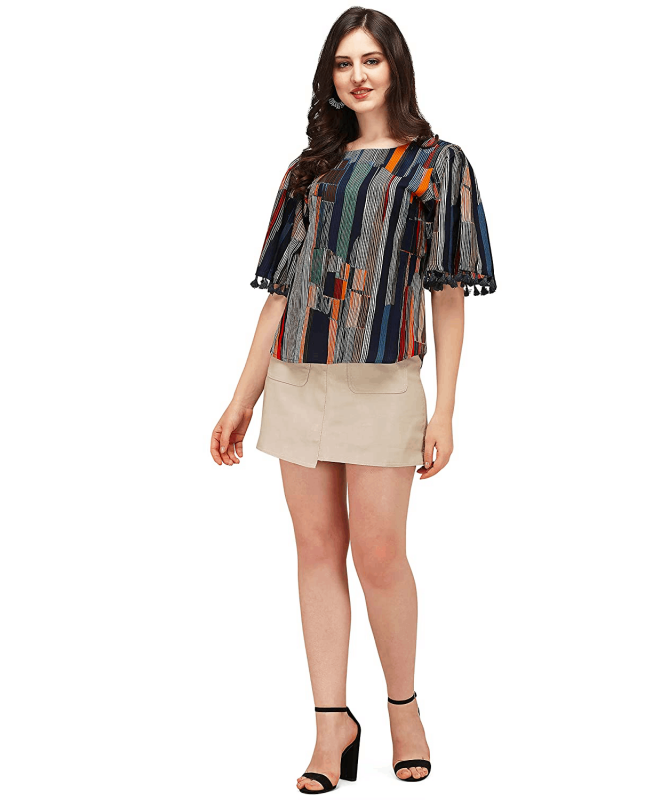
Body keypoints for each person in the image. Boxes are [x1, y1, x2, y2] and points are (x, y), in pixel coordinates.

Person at [210, 7, 496, 793]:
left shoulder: (437, 164)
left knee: (379, 556)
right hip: (297, 379)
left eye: (371, 59)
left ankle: (404, 709)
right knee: (314, 551)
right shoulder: (308, 171)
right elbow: (279, 294)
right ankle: (330, 725)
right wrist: (241, 399)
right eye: (343, 64)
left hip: (383, 380)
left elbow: (447, 296)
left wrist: (445, 409)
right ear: (329, 79)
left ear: (395, 66)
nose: (358, 75)